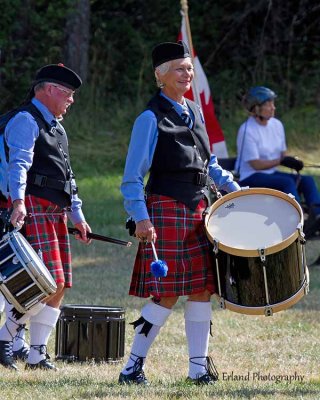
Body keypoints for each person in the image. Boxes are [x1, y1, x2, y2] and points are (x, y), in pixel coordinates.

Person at [120, 41, 240, 386]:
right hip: (167, 208)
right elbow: (132, 175)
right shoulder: (150, 117)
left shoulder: (194, 112)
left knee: (202, 288)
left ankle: (198, 369)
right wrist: (140, 216)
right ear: (161, 76)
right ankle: (131, 367)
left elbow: (210, 164)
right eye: (179, 69)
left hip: (200, 210)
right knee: (167, 292)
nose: (187, 74)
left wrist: (239, 193)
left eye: (189, 68)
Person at [0, 63, 91, 371]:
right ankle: (6, 338)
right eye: (68, 94)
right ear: (50, 90)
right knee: (45, 283)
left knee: (60, 285)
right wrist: (18, 202)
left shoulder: (57, 126)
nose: (72, 101)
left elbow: (68, 175)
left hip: (55, 211)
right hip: (34, 208)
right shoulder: (26, 120)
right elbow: (19, 166)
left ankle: (37, 354)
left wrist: (77, 213)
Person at [236, 86, 320, 238]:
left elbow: (282, 154)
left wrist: (291, 161)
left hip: (270, 172)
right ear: (256, 108)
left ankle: (317, 217)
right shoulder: (247, 129)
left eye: (273, 103)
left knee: (307, 180)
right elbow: (255, 164)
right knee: (286, 182)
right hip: (251, 175)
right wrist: (280, 160)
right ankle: (299, 222)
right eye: (268, 104)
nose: (273, 107)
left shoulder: (277, 125)